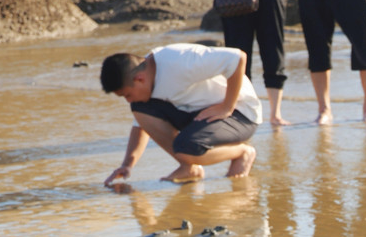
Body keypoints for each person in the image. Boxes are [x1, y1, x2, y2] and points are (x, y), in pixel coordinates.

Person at [100, 43, 262, 186]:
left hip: (240, 113)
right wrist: (127, 165)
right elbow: (141, 125)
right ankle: (189, 167)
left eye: (127, 95)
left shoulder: (178, 60)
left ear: (140, 79)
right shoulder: (146, 79)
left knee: (186, 148)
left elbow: (237, 58)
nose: (128, 100)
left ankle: (243, 152)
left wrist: (227, 106)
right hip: (200, 112)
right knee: (139, 108)